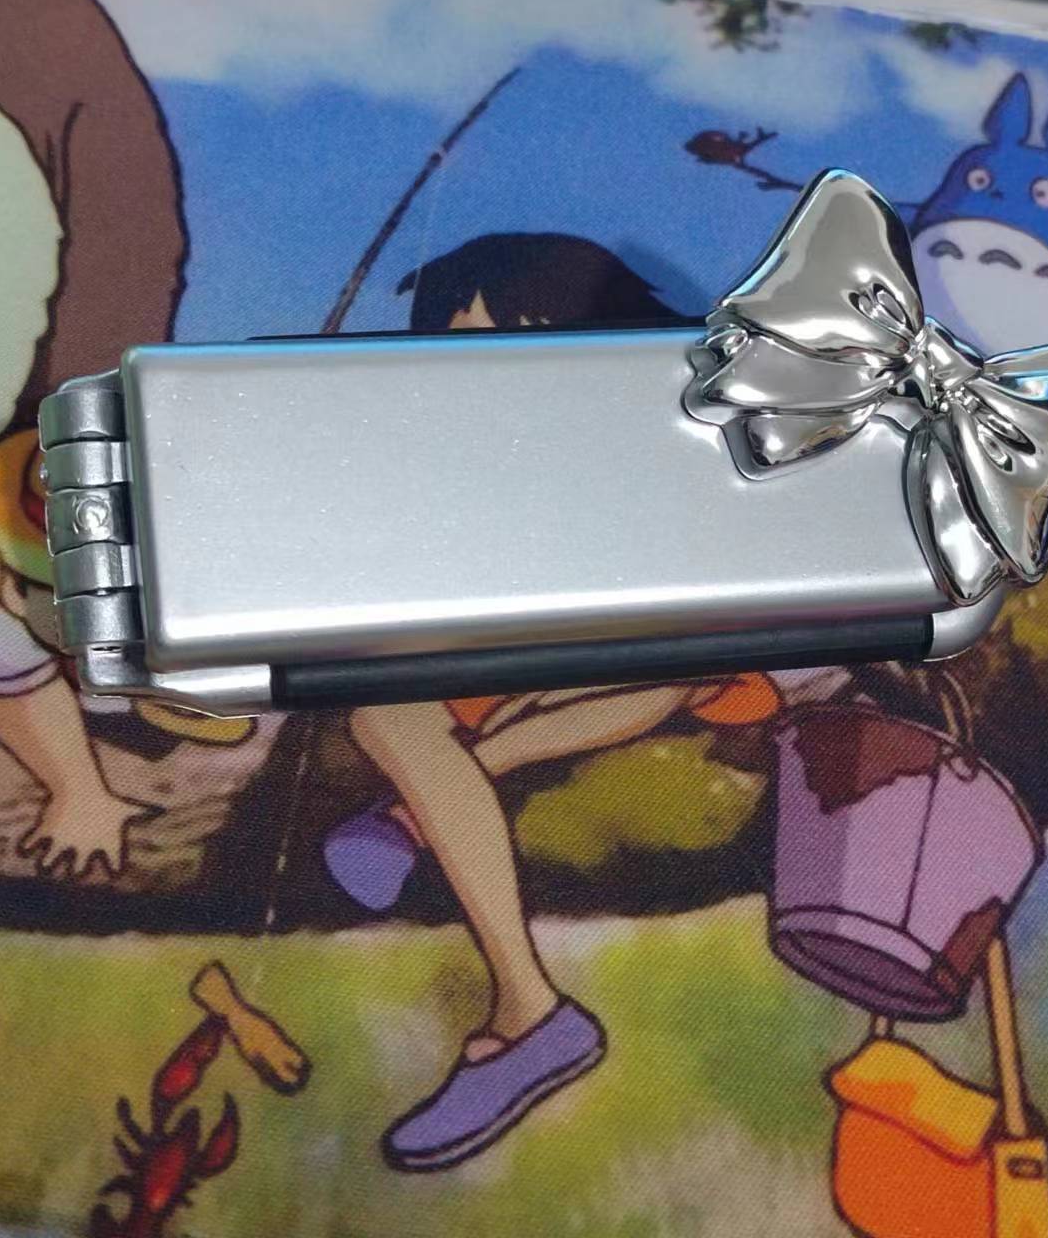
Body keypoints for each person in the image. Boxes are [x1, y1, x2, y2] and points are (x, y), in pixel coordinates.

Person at [323, 233, 783, 1171]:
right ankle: (527, 1002)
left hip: (657, 640)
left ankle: (502, 969)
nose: (471, 371)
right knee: (386, 713)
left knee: (670, 661)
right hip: (516, 647)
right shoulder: (462, 448)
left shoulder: (664, 417)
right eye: (450, 349)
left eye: (496, 341)